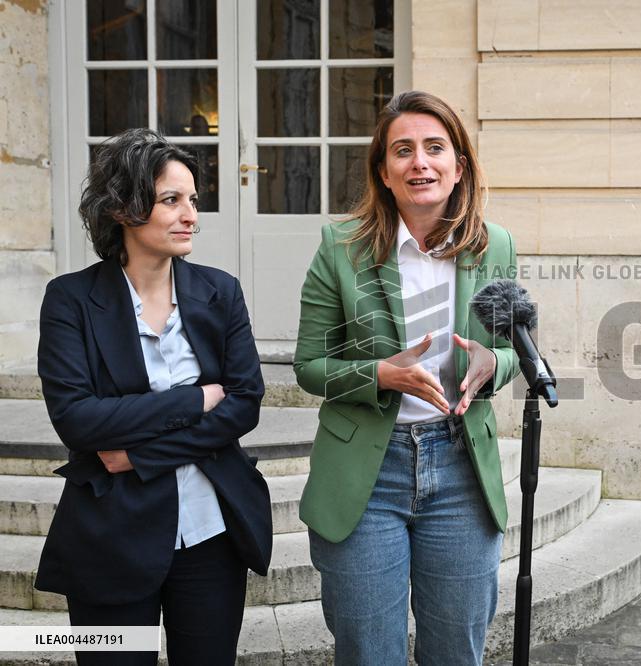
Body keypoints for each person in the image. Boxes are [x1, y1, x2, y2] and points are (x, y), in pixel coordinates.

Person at [294, 90, 519, 665]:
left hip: (461, 468)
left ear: (458, 166)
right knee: (369, 654)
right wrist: (380, 375)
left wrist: (495, 363)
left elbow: (515, 348)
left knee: (456, 653)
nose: (420, 162)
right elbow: (310, 366)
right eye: (403, 150)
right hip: (368, 475)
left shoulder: (494, 246)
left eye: (434, 148)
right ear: (383, 171)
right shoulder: (340, 249)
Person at [34, 128, 272, 665]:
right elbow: (78, 421)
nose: (190, 215)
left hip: (211, 533)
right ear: (122, 207)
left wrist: (138, 455)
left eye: (193, 200)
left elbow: (245, 404)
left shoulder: (220, 291)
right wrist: (195, 400)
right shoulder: (70, 300)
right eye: (171, 200)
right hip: (111, 538)